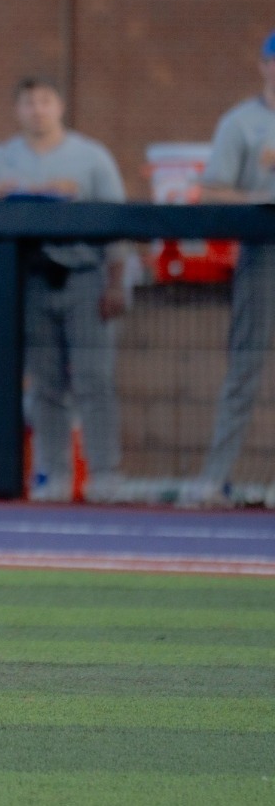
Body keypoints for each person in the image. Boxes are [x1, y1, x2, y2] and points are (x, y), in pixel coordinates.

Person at [0, 76, 132, 503]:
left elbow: (121, 225)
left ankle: (105, 476)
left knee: (94, 381)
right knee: (46, 386)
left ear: (60, 106)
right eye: (28, 102)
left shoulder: (91, 156)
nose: (37, 110)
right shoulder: (6, 158)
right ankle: (53, 476)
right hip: (33, 282)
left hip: (84, 278)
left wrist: (118, 283)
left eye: (45, 101)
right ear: (17, 110)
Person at [187, 32, 275, 508]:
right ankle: (214, 479)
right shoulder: (242, 123)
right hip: (263, 249)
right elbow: (212, 191)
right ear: (264, 65)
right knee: (245, 367)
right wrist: (257, 199)